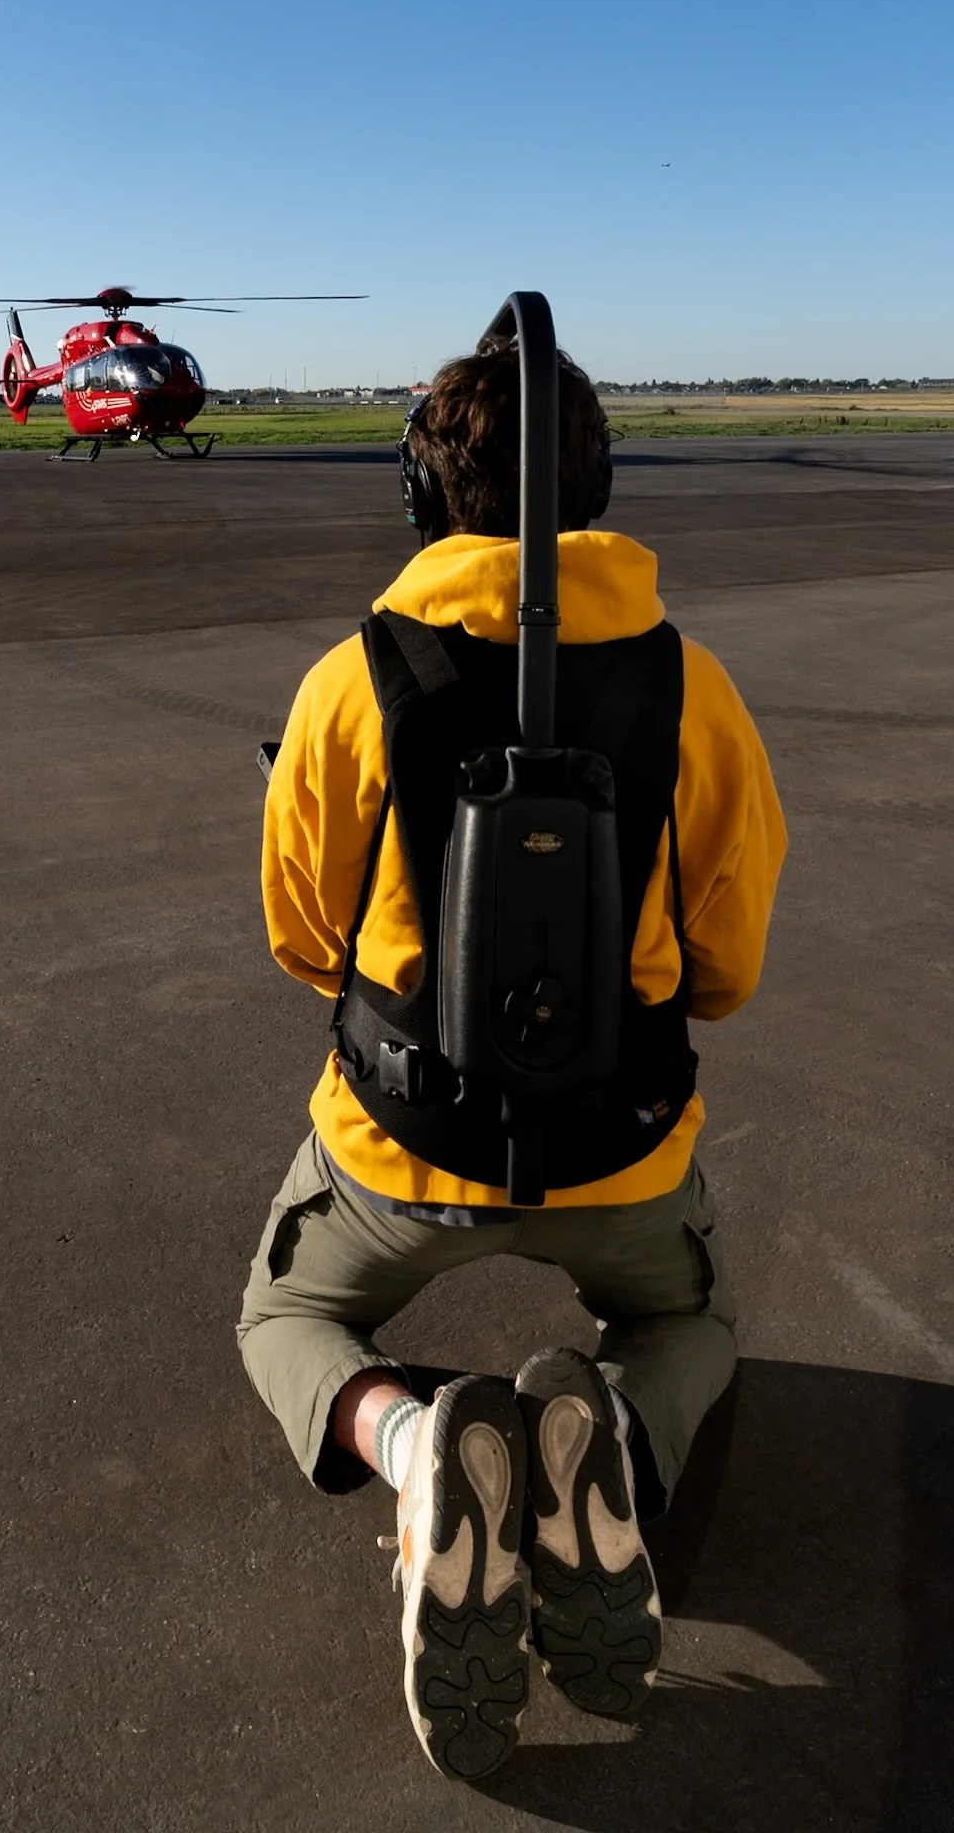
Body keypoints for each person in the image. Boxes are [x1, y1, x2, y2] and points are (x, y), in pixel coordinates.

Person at [237, 339, 786, 1781]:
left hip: (396, 1159)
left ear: (425, 493)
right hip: (623, 1153)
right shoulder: (694, 688)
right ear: (597, 495)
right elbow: (724, 977)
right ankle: (595, 1423)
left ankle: (418, 1448)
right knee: (692, 1329)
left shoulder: (347, 683)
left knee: (277, 1325)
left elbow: (301, 940)